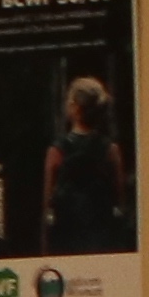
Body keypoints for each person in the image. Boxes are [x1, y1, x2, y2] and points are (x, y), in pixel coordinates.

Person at [40, 73, 134, 250]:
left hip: (66, 237)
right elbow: (120, 200)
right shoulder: (110, 150)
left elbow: (48, 205)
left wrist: (46, 246)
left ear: (74, 108)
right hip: (101, 237)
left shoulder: (57, 151)